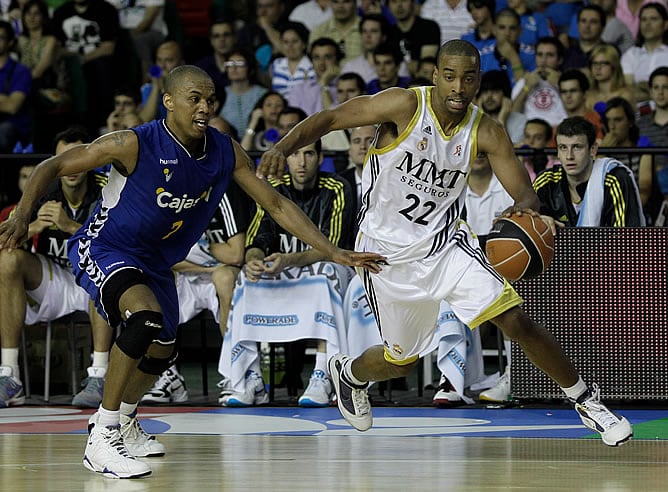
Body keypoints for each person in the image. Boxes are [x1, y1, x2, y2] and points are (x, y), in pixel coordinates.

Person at [0, 65, 381, 479]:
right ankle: (102, 435)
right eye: (194, 98)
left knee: (164, 347)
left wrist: (332, 251)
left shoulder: (224, 150)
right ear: (169, 102)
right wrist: (23, 215)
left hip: (157, 260)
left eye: (210, 99)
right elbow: (48, 167)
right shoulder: (133, 143)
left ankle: (124, 421)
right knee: (144, 319)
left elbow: (276, 204)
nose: (205, 106)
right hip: (107, 246)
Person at [258, 39, 633, 448]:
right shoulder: (403, 105)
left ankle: (586, 401)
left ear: (477, 82)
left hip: (447, 247)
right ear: (435, 76)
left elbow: (525, 195)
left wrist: (523, 211)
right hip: (385, 256)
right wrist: (282, 146)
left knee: (514, 319)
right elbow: (330, 118)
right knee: (400, 362)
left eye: (468, 78)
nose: (458, 87)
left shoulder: (486, 131)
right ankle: (348, 374)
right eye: (450, 77)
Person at [219, 139, 355, 407]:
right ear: (286, 160)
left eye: (308, 154)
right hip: (288, 269)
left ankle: (323, 374)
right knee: (246, 277)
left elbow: (333, 247)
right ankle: (249, 378)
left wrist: (289, 260)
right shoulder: (273, 190)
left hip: (329, 269)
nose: (301, 162)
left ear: (320, 157)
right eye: (294, 155)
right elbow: (255, 242)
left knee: (325, 273)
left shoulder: (337, 187)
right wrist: (255, 259)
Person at [0, 126, 112, 409]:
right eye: (65, 157)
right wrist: (31, 226)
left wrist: (70, 227)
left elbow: (119, 244)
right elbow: (4, 240)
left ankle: (99, 375)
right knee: (8, 260)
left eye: (79, 156)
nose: (72, 165)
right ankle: (9, 375)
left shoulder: (108, 186)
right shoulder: (41, 189)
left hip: (92, 276)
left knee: (101, 266)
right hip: (53, 279)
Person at [144, 180, 253, 404]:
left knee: (225, 279)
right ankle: (168, 376)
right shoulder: (167, 193)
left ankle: (239, 376)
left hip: (221, 273)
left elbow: (235, 254)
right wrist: (203, 253)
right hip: (187, 273)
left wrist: (196, 245)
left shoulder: (224, 190)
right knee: (148, 283)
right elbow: (158, 255)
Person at [533, 116, 645, 227]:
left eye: (577, 147)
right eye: (563, 147)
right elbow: (524, 223)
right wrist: (537, 222)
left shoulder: (614, 179)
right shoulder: (546, 181)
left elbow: (624, 238)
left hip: (605, 245)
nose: (569, 156)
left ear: (593, 149)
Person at [51, 0, 120, 134]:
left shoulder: (106, 10)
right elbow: (56, 47)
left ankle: (101, 124)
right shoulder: (61, 12)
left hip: (97, 62)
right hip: (68, 63)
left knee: (99, 68)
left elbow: (108, 48)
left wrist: (82, 58)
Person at [510, 36, 568, 127]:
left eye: (550, 55)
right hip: (529, 133)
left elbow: (576, 111)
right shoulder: (525, 81)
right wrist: (526, 87)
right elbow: (514, 115)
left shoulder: (569, 81)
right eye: (540, 55)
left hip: (560, 131)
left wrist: (560, 85)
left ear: (560, 60)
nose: (543, 60)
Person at [620, 2, 668, 102]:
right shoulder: (631, 55)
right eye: (643, 19)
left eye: (653, 19)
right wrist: (660, 92)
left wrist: (642, 88)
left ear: (665, 25)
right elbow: (626, 91)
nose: (647, 23)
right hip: (637, 115)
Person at [637, 66, 668, 211]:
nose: (660, 92)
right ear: (650, 91)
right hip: (646, 183)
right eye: (656, 87)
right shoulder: (641, 123)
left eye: (665, 87)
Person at [0, 19, 32, 152]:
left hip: (12, 126)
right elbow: (6, 103)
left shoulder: (20, 71)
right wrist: (3, 99)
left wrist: (7, 102)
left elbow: (12, 106)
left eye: (1, 37)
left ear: (11, 42)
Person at [387, 0, 440, 77]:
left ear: (413, 3)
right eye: (394, 1)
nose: (399, 5)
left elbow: (426, 66)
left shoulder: (429, 27)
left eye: (403, 1)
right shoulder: (388, 33)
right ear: (388, 6)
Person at [138, 40, 184, 123]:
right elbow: (144, 121)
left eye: (169, 60)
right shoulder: (147, 89)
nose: (162, 66)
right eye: (159, 60)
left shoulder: (188, 89)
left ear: (181, 63)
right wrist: (156, 87)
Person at [309, 0, 362, 64]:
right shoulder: (319, 31)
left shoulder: (367, 29)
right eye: (335, 2)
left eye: (346, 1)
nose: (340, 6)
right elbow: (312, 61)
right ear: (330, 4)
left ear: (355, 3)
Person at [270, 21, 315, 97]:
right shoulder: (276, 64)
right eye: (286, 42)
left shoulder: (313, 66)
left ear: (304, 44)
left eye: (295, 41)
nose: (290, 46)